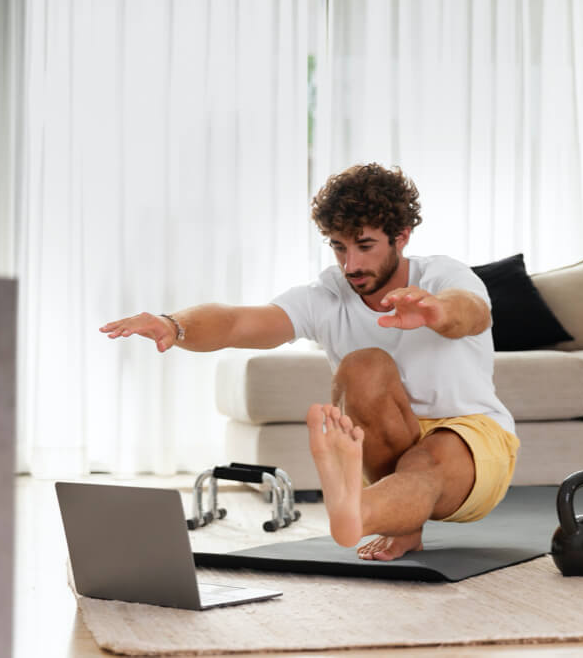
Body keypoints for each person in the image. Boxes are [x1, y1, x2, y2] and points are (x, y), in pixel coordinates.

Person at [100, 163, 519, 561]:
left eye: (365, 246)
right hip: (391, 444)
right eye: (339, 247)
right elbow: (238, 322)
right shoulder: (326, 296)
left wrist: (436, 312)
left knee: (426, 463)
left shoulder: (442, 276)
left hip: (471, 437)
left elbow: (472, 312)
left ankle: (358, 511)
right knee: (363, 367)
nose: (350, 264)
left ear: (402, 236)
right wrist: (174, 325)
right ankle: (387, 520)